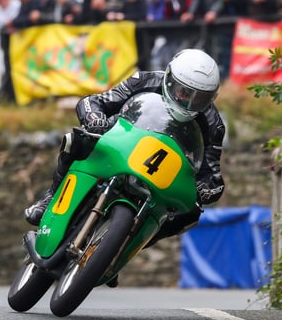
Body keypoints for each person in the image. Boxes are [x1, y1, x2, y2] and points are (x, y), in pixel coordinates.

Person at [24, 49, 226, 250]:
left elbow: (212, 172)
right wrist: (95, 118)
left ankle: (124, 249)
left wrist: (207, 189)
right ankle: (51, 197)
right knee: (77, 140)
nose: (189, 102)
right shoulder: (143, 80)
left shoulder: (214, 124)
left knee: (190, 216)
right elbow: (92, 102)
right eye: (184, 92)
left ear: (211, 98)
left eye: (199, 98)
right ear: (169, 79)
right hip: (120, 141)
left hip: (163, 172)